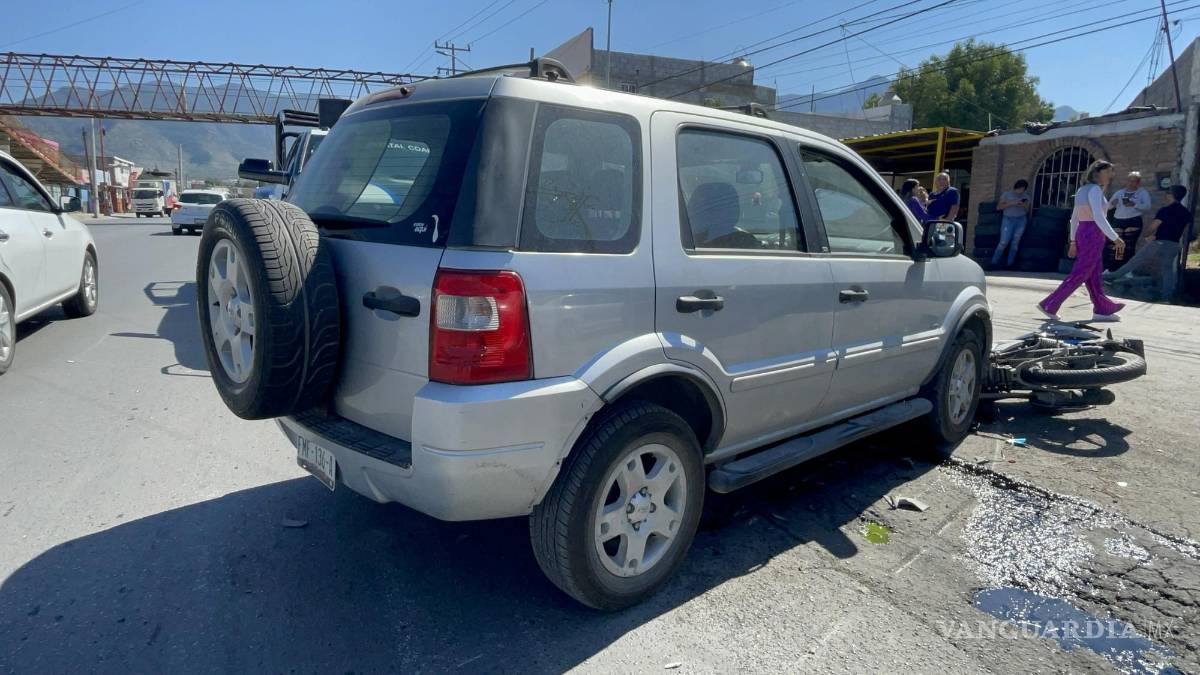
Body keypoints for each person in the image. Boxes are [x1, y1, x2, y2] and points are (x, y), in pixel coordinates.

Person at [1037, 160, 1126, 322]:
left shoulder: (1082, 190)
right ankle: (1050, 304)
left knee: (1094, 273)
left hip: (1084, 232)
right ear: (1097, 173)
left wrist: (1072, 241)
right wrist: (1115, 238)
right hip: (1093, 232)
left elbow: (1075, 218)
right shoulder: (1095, 190)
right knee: (1081, 272)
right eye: (1107, 172)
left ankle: (1102, 309)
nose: (1110, 176)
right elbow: (1098, 217)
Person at [1104, 184, 1193, 300]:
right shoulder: (1186, 213)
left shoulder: (1165, 210)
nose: (1166, 195)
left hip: (1159, 242)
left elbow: (1154, 226)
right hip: (1174, 244)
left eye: (1168, 193)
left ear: (1171, 195)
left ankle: (1111, 277)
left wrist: (1147, 235)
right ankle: (1167, 297)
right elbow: (1185, 231)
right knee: (1167, 270)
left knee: (1135, 260)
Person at [1106, 170, 1152, 268]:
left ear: (1138, 182)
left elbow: (1147, 206)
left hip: (1133, 220)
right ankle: (1113, 268)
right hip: (1118, 220)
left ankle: (1127, 270)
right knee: (1116, 245)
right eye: (1129, 181)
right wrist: (1113, 204)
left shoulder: (1142, 192)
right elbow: (1108, 207)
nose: (1131, 183)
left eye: (1134, 181)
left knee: (1129, 246)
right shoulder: (1120, 192)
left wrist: (1134, 205)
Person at [992, 179, 1031, 268]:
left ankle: (1010, 263)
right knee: (1003, 241)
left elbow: (1027, 210)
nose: (1021, 191)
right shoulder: (1006, 195)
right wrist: (1011, 203)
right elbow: (998, 207)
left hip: (1021, 220)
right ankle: (994, 262)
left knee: (1015, 242)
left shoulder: (1026, 197)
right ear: (1016, 187)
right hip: (1008, 219)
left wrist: (1023, 205)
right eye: (1020, 189)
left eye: (1023, 189)